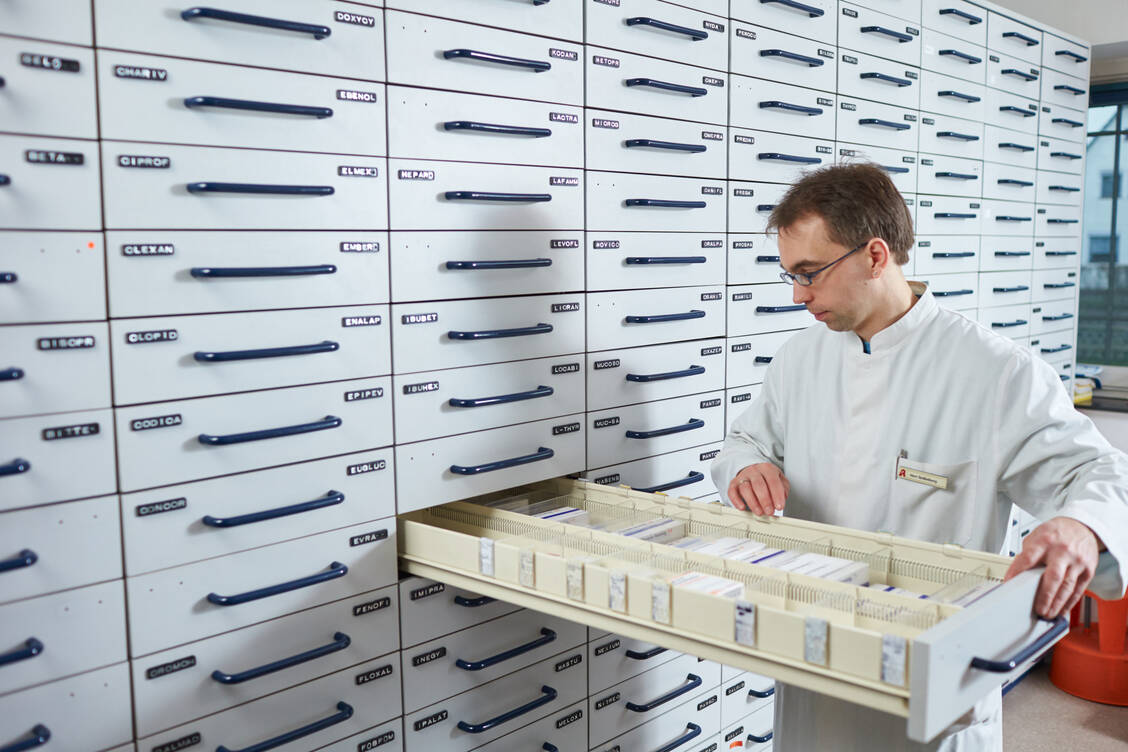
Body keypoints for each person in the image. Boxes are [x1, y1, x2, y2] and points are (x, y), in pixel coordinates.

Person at [710, 163, 1128, 751]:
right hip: (814, 654)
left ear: (875, 256)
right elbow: (744, 442)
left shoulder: (996, 372)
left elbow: (1100, 472)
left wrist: (1082, 527)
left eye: (809, 273)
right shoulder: (799, 358)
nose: (799, 295)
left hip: (932, 675)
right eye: (790, 276)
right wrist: (746, 467)